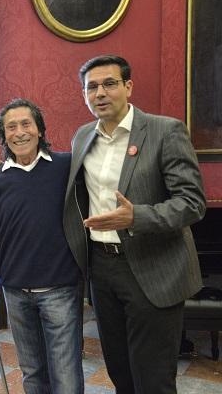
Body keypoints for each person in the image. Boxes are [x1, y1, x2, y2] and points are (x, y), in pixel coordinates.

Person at [63, 55, 206, 393]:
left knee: (153, 378)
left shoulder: (165, 130)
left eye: (109, 83)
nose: (100, 92)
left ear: (128, 86)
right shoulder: (83, 137)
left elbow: (192, 203)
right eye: (91, 87)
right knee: (120, 370)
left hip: (153, 267)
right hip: (102, 269)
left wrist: (137, 217)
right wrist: (4, 167)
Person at [0, 98, 84, 394]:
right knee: (32, 374)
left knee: (66, 374)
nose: (19, 132)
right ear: (3, 136)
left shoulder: (66, 166)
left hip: (60, 289)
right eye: (11, 127)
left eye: (26, 124)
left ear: (40, 130)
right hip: (16, 292)